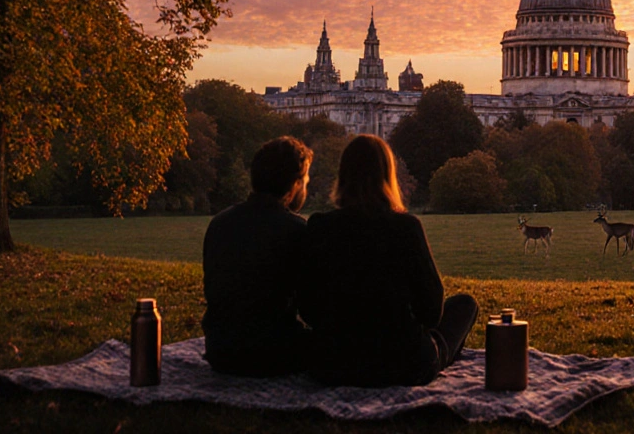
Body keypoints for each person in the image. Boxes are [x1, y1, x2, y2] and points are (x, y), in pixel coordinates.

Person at [298, 134, 478, 386]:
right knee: (464, 305)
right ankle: (441, 354)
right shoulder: (406, 227)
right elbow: (431, 311)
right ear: (387, 175)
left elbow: (307, 308)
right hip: (403, 364)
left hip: (333, 363)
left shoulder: (320, 226)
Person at [201, 136, 313, 376]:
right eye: (305, 180)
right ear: (294, 185)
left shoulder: (220, 223)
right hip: (274, 354)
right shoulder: (297, 231)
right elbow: (312, 309)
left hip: (221, 351)